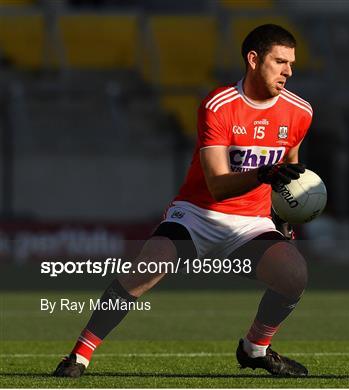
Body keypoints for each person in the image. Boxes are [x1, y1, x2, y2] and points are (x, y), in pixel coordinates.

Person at [53, 23, 313, 378]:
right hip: (197, 214)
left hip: (251, 223)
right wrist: (265, 175)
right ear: (253, 60)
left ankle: (254, 350)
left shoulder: (300, 111)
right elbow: (218, 185)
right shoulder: (219, 105)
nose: (288, 71)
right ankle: (79, 355)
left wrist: (285, 215)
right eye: (279, 61)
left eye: (291, 64)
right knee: (146, 269)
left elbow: (292, 167)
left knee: (294, 275)